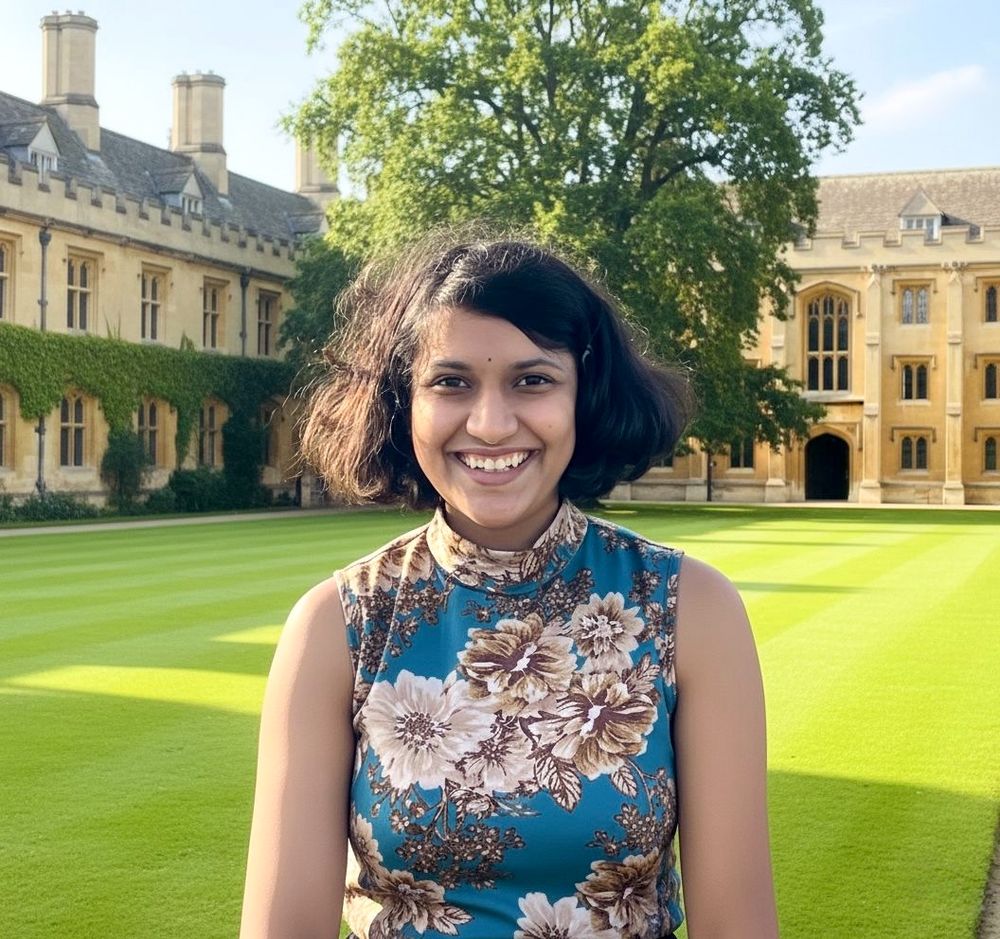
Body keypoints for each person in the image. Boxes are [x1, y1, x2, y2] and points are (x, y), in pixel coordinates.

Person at [239, 232, 779, 939]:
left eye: (532, 380)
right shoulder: (340, 625)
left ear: (585, 395)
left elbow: (738, 925)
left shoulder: (687, 609)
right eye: (451, 382)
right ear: (405, 402)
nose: (490, 424)